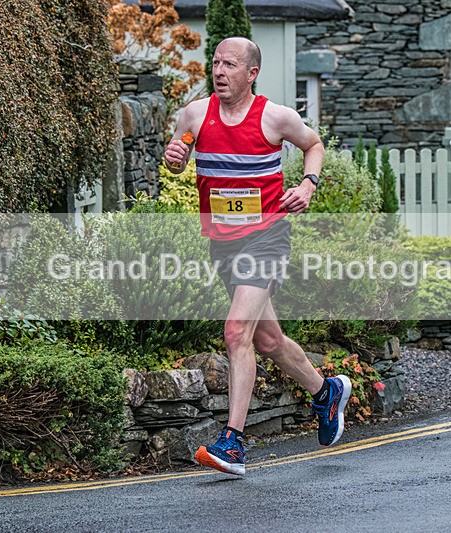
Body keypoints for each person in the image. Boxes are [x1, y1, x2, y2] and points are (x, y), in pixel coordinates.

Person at [163, 37, 352, 477]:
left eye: (230, 64)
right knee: (267, 341)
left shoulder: (276, 117)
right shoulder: (194, 114)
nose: (220, 71)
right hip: (223, 243)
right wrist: (175, 157)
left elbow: (315, 144)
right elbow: (178, 159)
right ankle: (325, 392)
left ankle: (233, 443)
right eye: (215, 63)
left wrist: (307, 185)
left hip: (267, 237)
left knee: (235, 332)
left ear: (252, 73)